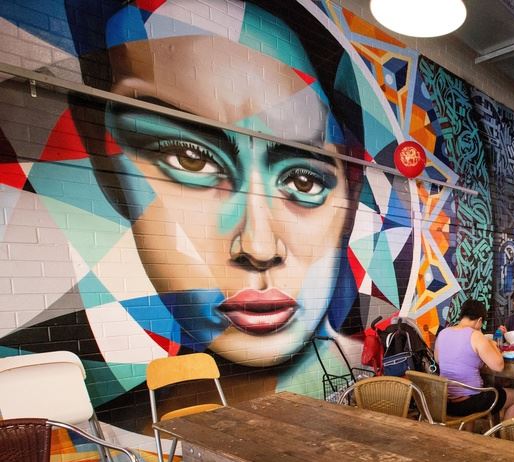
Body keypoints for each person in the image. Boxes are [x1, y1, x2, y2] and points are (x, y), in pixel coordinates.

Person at [68, 0, 377, 371]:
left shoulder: (372, 379)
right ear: (101, 158)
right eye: (189, 159)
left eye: (303, 180)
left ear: (352, 187)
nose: (259, 249)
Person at [436, 299, 514, 422]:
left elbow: (438, 360)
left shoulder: (443, 333)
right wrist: (492, 344)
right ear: (479, 320)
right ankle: (507, 440)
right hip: (469, 402)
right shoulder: (475, 336)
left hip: (445, 401)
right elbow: (499, 366)